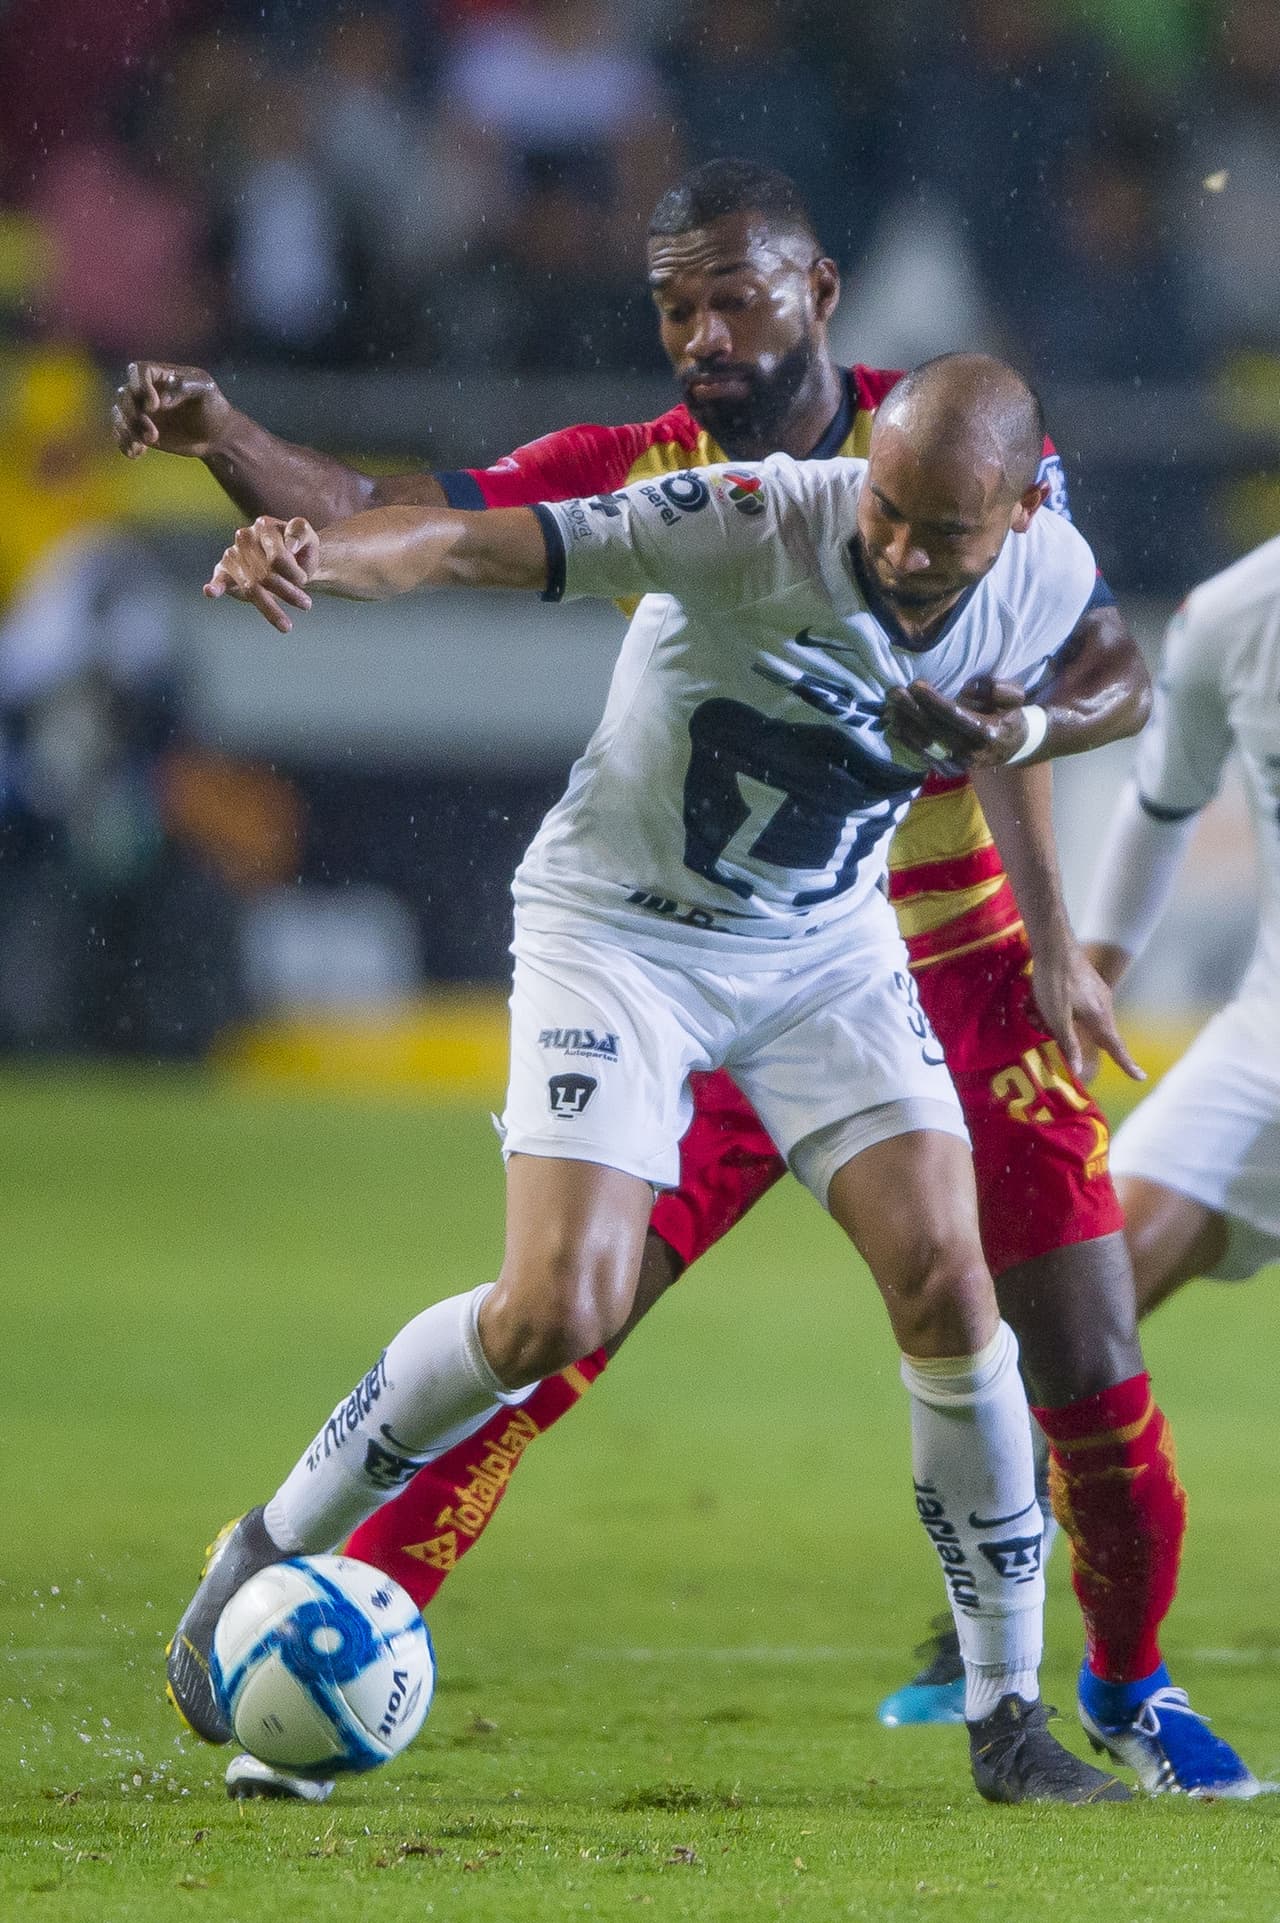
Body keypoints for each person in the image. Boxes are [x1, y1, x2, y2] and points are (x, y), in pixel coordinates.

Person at [115, 161, 1254, 1800]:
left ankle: (1032, 1712)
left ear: (826, 300)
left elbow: (1092, 665)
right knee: (558, 1311)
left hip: (843, 940)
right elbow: (435, 533)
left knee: (981, 1294)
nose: (703, 338)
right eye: (675, 308)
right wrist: (281, 515)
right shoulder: (717, 503)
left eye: (736, 297)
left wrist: (1045, 868)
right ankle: (288, 1550)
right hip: (633, 933)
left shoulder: (984, 480)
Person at [1081, 538, 1280, 1314]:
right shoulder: (1235, 614)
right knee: (1073, 1313)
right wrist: (1090, 983)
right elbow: (1163, 800)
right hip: (1268, 1049)